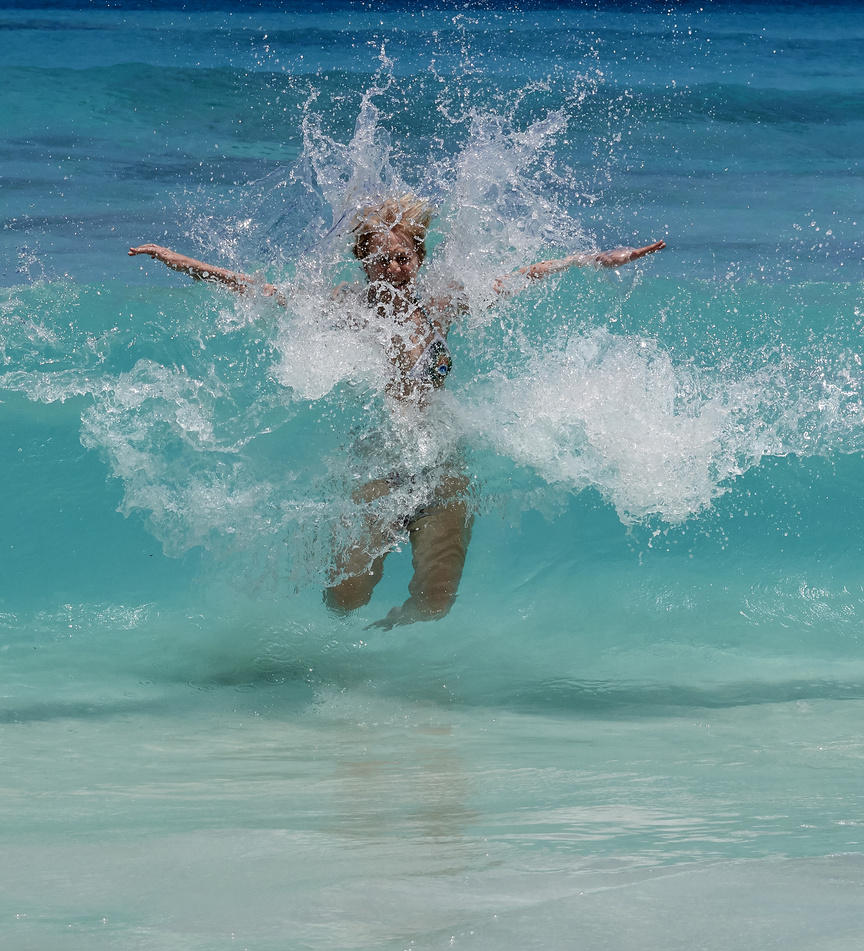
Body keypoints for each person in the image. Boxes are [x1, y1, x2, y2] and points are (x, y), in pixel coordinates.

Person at [130, 195, 664, 628]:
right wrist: (180, 263)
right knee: (345, 601)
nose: (393, 267)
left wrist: (591, 259)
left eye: (403, 257)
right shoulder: (344, 307)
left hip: (442, 468)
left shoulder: (441, 305)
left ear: (419, 259)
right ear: (363, 260)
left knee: (435, 604)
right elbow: (259, 290)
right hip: (376, 473)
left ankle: (393, 635)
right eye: (381, 257)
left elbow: (522, 276)